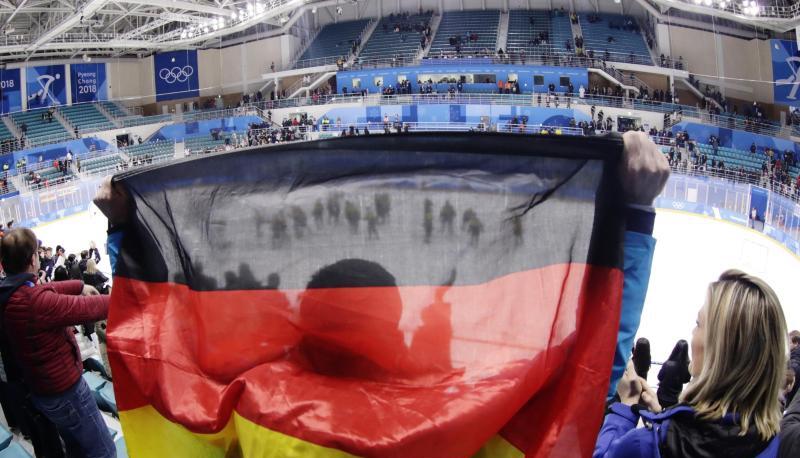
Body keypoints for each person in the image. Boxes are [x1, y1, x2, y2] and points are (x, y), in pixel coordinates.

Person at [595, 270, 787, 458]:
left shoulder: (645, 445)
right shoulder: (777, 443)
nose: (693, 332)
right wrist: (663, 417)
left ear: (719, 350)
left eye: (699, 323)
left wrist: (626, 408)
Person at [0, 228, 115, 457]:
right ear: (33, 259)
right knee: (104, 451)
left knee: (76, 449)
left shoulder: (11, 292)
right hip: (67, 394)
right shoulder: (34, 303)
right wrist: (129, 299)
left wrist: (79, 286)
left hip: (45, 391)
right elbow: (89, 308)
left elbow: (44, 288)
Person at [656, 339, 691, 409]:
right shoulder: (687, 366)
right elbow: (686, 380)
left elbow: (659, 377)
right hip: (675, 398)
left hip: (661, 396)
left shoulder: (667, 364)